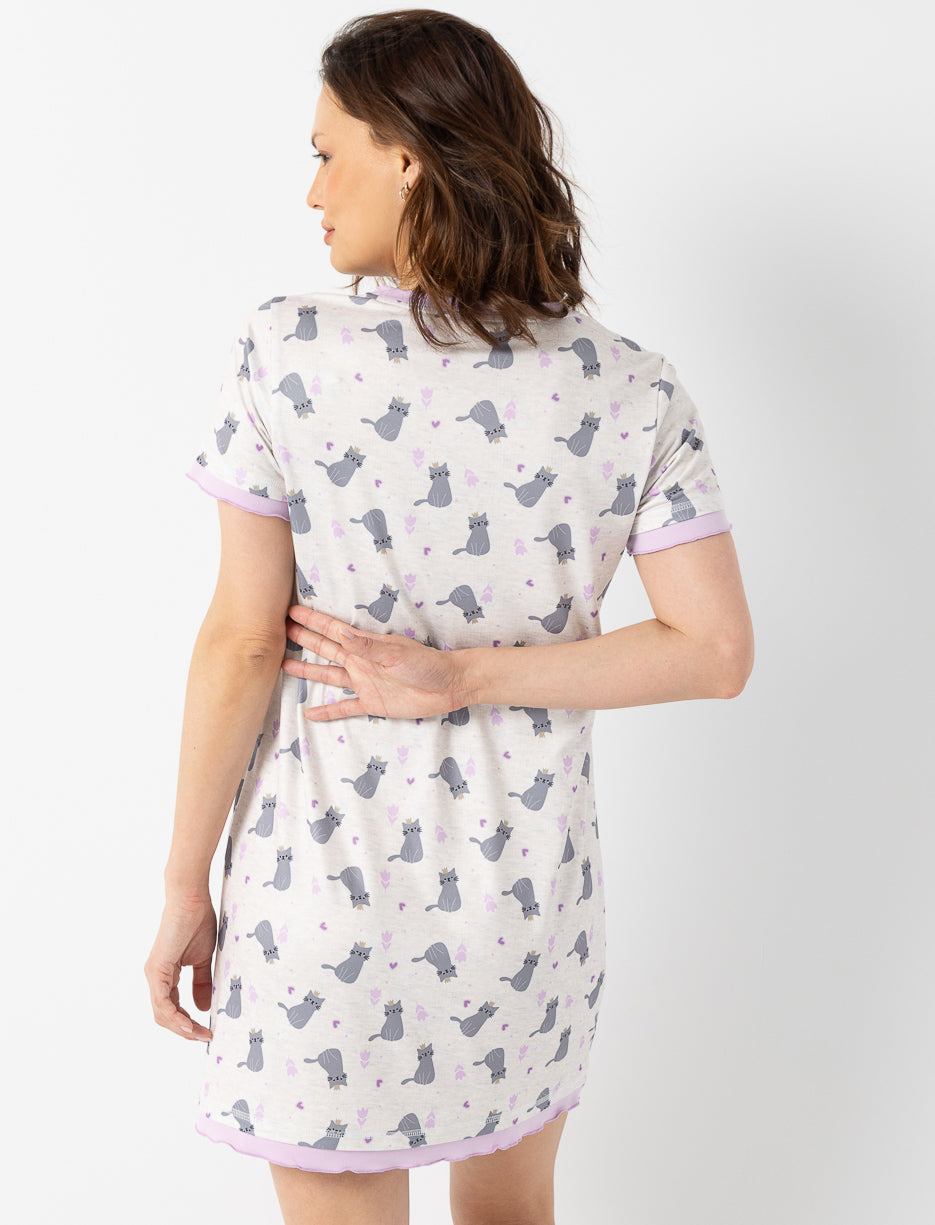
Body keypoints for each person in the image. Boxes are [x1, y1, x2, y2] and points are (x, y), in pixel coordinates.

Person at [144, 9, 754, 1225]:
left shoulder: (285, 353)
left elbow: (243, 640)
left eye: (327, 153)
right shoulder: (628, 387)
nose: (311, 190)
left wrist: (182, 889)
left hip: (322, 899)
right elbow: (713, 649)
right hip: (519, 911)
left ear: (407, 156)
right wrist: (473, 676)